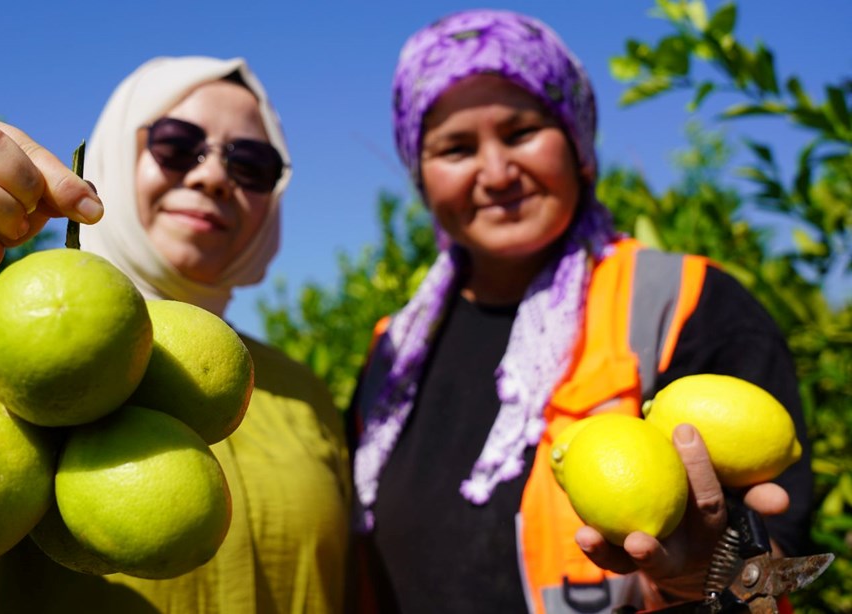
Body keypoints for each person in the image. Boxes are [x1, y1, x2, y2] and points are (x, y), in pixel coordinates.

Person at [0, 56, 350, 613]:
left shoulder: (303, 391)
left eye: (251, 163)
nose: (212, 176)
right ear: (114, 153)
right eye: (178, 145)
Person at [347, 10, 814, 613]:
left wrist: (708, 574)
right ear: (422, 176)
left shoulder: (683, 302)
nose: (495, 173)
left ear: (578, 144)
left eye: (520, 133)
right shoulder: (392, 356)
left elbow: (781, 559)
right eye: (456, 148)